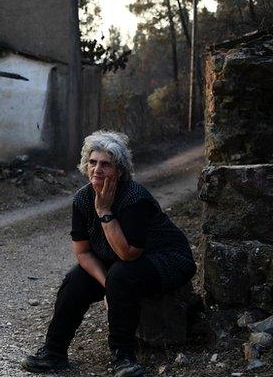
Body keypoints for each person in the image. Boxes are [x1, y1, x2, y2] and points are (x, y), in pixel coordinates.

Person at [21, 131, 195, 377]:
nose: (97, 169)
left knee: (123, 275)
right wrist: (107, 285)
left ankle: (123, 357)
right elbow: (82, 253)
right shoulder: (82, 198)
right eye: (92, 162)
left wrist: (103, 210)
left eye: (105, 164)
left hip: (165, 259)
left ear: (120, 170)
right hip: (118, 264)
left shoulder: (134, 197)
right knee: (75, 280)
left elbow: (128, 254)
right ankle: (54, 352)